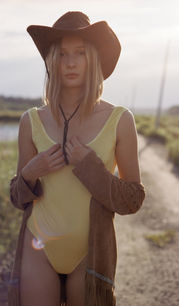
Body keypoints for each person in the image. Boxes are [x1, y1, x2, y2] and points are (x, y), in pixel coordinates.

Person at [8, 11, 146, 306]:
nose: (70, 63)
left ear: (93, 58)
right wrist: (31, 172)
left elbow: (132, 199)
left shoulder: (119, 120)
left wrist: (90, 166)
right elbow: (18, 198)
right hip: (39, 247)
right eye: (62, 54)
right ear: (52, 61)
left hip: (90, 252)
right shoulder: (30, 121)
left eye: (80, 53)